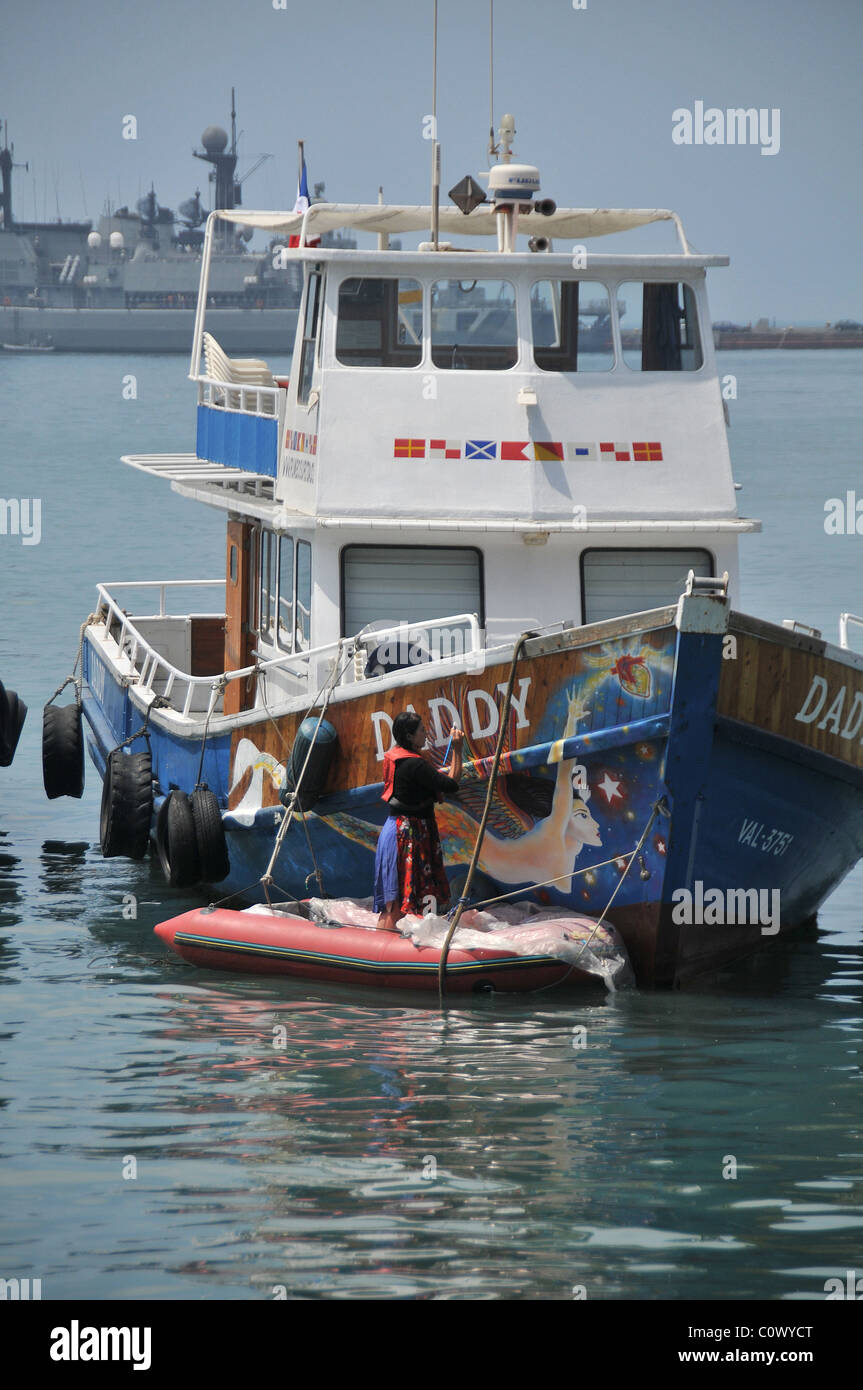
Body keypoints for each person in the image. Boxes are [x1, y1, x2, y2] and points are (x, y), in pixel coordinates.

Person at [373, 711, 464, 931]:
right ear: (410, 736)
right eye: (422, 730)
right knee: (397, 902)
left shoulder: (398, 757)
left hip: (397, 830)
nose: (426, 734)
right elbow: (452, 784)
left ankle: (390, 941)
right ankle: (386, 947)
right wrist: (458, 750)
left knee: (396, 898)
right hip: (408, 835)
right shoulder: (415, 765)